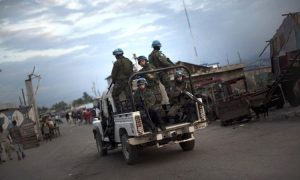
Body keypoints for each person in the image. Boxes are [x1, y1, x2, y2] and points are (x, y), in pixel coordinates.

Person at [111, 48, 134, 113]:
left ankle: (119, 110)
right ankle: (131, 108)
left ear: (116, 55)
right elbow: (131, 71)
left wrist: (114, 81)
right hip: (129, 81)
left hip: (120, 82)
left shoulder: (116, 63)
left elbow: (114, 75)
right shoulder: (129, 61)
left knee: (114, 94)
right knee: (129, 96)